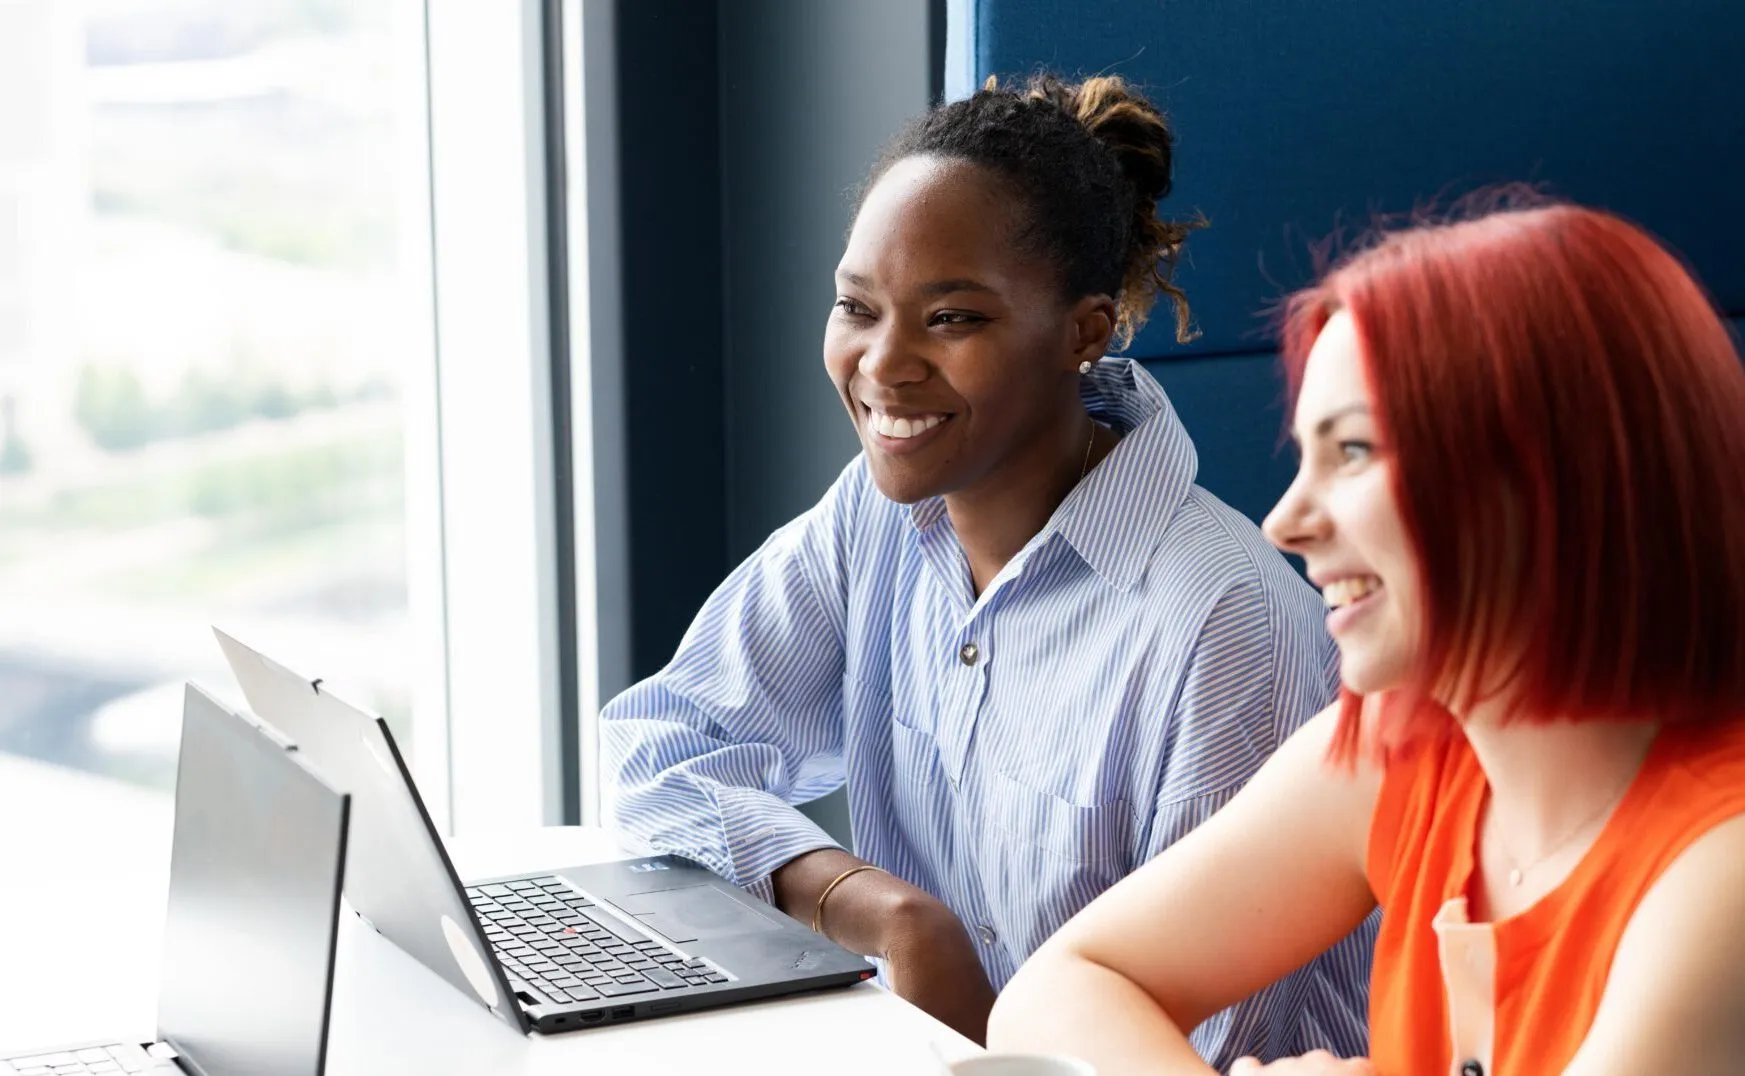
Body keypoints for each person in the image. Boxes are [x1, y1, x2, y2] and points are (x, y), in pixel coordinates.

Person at [600, 74, 1372, 1059]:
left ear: (1083, 332)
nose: (882, 363)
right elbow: (663, 745)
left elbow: (1215, 1049)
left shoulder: (1225, 620)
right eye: (856, 306)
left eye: (951, 318)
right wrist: (881, 911)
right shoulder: (873, 522)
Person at [986, 195, 1745, 1074]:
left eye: (1352, 452)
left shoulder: (1718, 872)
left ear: (1551, 475)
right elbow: (1062, 987)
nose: (1285, 521)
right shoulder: (1401, 750)